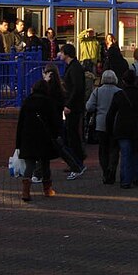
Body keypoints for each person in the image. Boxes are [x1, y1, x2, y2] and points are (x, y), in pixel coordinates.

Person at [16, 78, 62, 201]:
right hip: (43, 137)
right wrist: (57, 133)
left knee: (29, 165)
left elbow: (20, 123)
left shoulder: (27, 102)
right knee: (45, 163)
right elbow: (54, 121)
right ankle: (47, 190)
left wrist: (18, 142)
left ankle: (25, 192)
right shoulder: (48, 102)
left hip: (28, 137)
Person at [106, 69, 138, 189]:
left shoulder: (119, 95)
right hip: (136, 126)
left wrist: (109, 129)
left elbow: (111, 114)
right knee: (137, 152)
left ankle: (126, 180)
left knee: (125, 154)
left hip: (122, 127)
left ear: (123, 81)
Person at [85, 69, 121, 184]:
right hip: (115, 123)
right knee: (114, 149)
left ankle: (105, 172)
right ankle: (112, 170)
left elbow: (89, 107)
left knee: (103, 150)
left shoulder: (97, 91)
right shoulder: (119, 91)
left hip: (101, 124)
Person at [61, 43, 87, 180]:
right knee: (70, 134)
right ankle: (75, 161)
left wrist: (69, 104)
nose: (60, 55)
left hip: (73, 107)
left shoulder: (74, 68)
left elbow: (77, 88)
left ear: (66, 53)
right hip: (72, 106)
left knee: (73, 135)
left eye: (62, 52)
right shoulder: (72, 67)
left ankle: (78, 162)